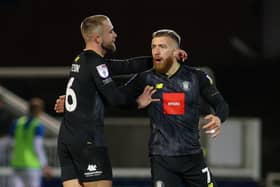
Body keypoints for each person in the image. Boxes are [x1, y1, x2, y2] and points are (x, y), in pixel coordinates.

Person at [55, 29, 229, 187]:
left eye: (162, 46)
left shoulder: (196, 77)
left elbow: (221, 104)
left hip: (193, 158)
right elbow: (112, 98)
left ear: (176, 52)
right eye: (153, 46)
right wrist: (77, 100)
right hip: (161, 160)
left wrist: (218, 117)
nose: (156, 51)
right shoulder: (145, 79)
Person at [0, 97, 52, 187]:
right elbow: (37, 147)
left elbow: (7, 142)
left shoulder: (17, 123)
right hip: (32, 166)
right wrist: (45, 165)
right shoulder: (38, 125)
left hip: (17, 164)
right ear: (40, 111)